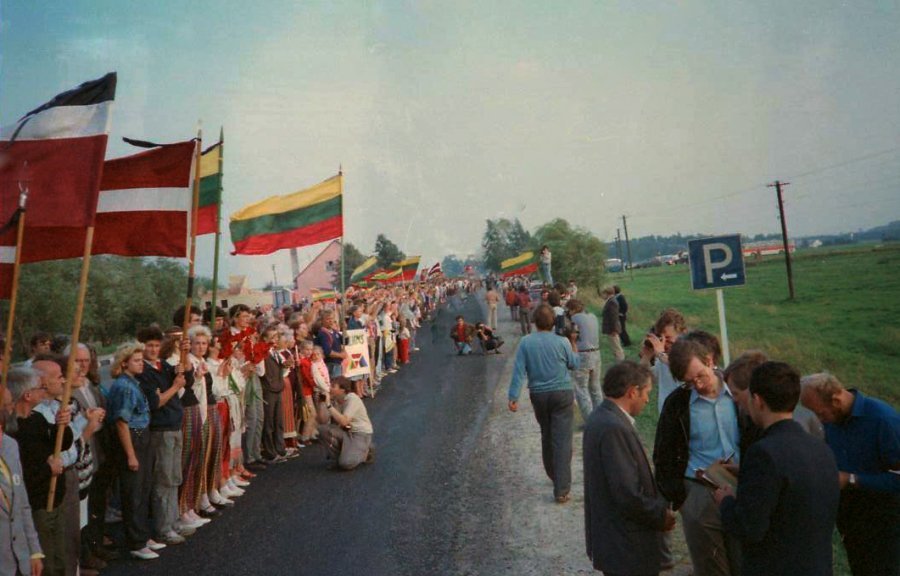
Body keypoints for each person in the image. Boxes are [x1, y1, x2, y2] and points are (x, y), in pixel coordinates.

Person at [714, 361, 840, 576]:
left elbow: (749, 527)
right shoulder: (822, 449)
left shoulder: (764, 453)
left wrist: (725, 501)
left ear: (757, 400)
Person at [654, 338, 743, 576]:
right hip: (699, 492)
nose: (698, 385)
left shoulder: (739, 395)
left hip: (742, 489)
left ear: (710, 361)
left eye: (700, 376)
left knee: (744, 562)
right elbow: (663, 454)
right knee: (711, 568)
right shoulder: (678, 403)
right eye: (689, 383)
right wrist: (683, 501)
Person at [800, 373, 900, 575]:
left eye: (820, 413)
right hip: (852, 524)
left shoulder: (883, 420)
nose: (819, 420)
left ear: (836, 400)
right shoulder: (832, 422)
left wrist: (851, 479)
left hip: (885, 526)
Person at [584, 361, 676, 576]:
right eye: (646, 393)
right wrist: (660, 515)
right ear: (632, 392)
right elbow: (627, 493)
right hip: (626, 547)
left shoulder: (601, 418)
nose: (647, 399)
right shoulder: (613, 428)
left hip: (618, 542)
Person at [508, 304, 579, 503]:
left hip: (539, 395)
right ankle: (562, 488)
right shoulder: (563, 341)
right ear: (552, 322)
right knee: (563, 439)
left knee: (547, 435)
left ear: (534, 322)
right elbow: (574, 364)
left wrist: (513, 396)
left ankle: (554, 474)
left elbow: (519, 371)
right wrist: (574, 344)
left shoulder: (525, 342)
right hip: (562, 393)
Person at [106, 342, 164, 560]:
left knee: (143, 489)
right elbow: (122, 422)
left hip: (143, 435)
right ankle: (136, 542)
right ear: (125, 363)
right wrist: (130, 454)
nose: (142, 364)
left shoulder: (133, 382)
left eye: (141, 360)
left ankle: (143, 535)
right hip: (134, 439)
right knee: (134, 493)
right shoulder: (124, 386)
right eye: (137, 360)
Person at [135, 326, 188, 546]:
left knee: (174, 475)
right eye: (149, 346)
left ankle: (173, 520)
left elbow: (183, 381)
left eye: (157, 345)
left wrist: (182, 371)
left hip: (174, 424)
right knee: (164, 478)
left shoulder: (163, 366)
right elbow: (156, 402)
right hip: (161, 428)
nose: (154, 349)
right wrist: (174, 387)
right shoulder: (144, 373)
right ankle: (163, 527)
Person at [2, 369, 46, 576]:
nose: (12, 410)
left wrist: (34, 551)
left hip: (19, 558)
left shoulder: (10, 446)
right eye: (8, 406)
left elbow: (22, 503)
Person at [316, 377, 373, 470]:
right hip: (346, 431)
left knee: (346, 464)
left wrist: (329, 406)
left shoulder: (352, 399)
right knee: (322, 430)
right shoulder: (334, 399)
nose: (330, 388)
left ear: (342, 389)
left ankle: (365, 453)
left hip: (360, 434)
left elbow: (344, 421)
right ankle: (338, 459)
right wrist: (322, 403)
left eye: (333, 386)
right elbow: (322, 421)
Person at [639, 308, 688, 414]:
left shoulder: (690, 352)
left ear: (683, 333)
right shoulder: (664, 356)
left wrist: (661, 354)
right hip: (666, 414)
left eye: (668, 338)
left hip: (684, 416)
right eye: (661, 338)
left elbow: (687, 371)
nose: (664, 343)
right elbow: (649, 379)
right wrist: (646, 356)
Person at [565, 299, 603, 422]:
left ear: (573, 309)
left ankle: (590, 421)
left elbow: (571, 335)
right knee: (595, 388)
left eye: (568, 310)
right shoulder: (593, 316)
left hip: (583, 355)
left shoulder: (575, 318)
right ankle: (600, 418)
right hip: (596, 353)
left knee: (581, 389)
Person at [600, 287, 625, 362]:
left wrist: (614, 329)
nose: (603, 296)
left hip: (612, 329)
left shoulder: (612, 302)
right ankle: (619, 359)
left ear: (607, 293)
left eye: (604, 294)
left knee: (616, 346)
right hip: (611, 328)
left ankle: (620, 360)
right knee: (614, 346)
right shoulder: (610, 301)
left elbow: (614, 317)